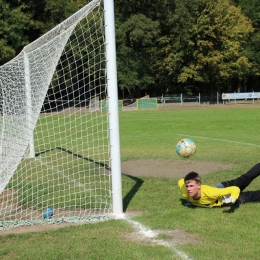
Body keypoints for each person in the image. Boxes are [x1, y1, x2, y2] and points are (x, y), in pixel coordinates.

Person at [178, 163, 260, 208]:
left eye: (191, 186)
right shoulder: (185, 192)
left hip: (225, 195)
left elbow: (234, 189)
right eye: (187, 186)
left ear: (199, 185)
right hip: (220, 188)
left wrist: (232, 198)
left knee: (250, 195)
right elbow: (180, 181)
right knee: (244, 179)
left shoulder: (210, 193)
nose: (188, 189)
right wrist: (191, 201)